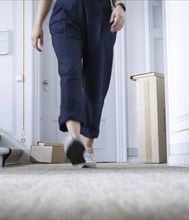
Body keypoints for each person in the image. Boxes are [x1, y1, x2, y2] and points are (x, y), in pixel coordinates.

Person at [32, 0, 125, 168]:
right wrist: (37, 23)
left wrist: (120, 6)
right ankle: (75, 140)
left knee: (97, 82)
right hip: (65, 16)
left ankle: (88, 147)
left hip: (101, 16)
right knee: (69, 71)